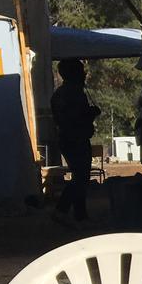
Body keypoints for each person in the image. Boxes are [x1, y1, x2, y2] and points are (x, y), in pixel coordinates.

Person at [51, 58, 100, 223]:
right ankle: (62, 210)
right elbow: (74, 117)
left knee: (81, 177)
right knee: (80, 177)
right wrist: (91, 113)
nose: (84, 75)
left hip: (69, 138)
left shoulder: (62, 93)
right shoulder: (72, 93)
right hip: (75, 139)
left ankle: (80, 215)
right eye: (81, 71)